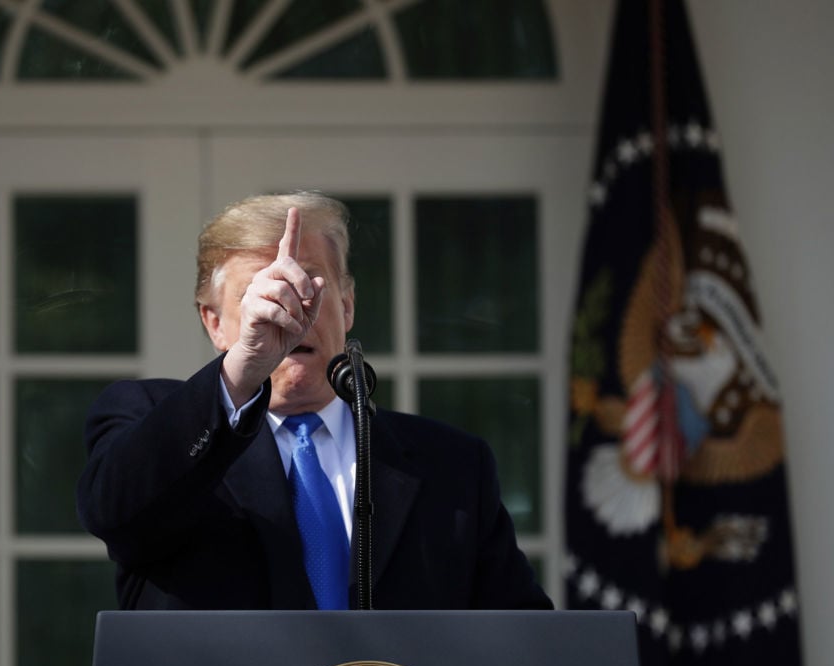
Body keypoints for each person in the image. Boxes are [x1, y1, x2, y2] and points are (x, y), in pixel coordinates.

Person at [76, 192, 551, 611]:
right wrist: (245, 370)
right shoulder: (150, 415)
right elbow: (116, 513)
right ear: (214, 322)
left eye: (307, 286)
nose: (288, 315)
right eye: (259, 295)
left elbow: (520, 637)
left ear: (346, 305)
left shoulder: (452, 465)